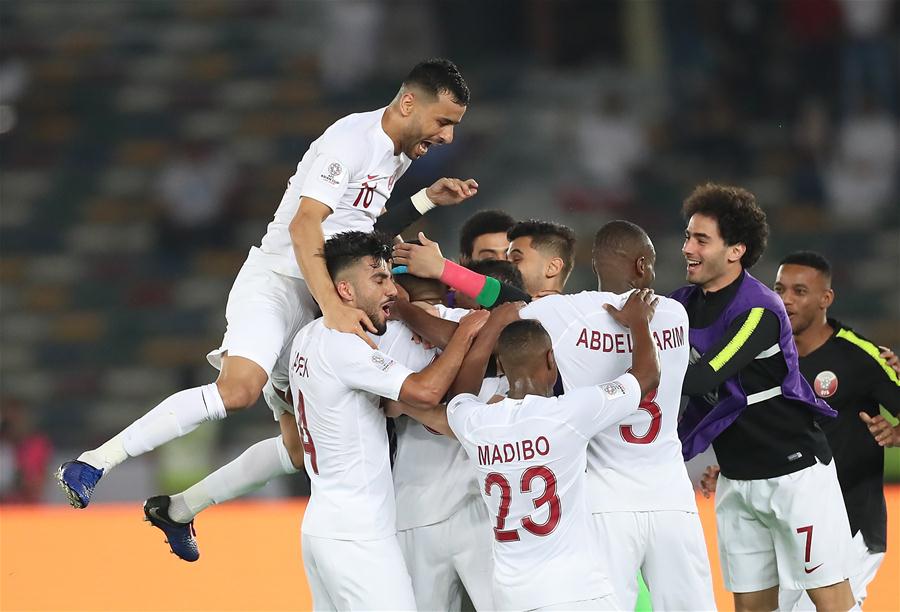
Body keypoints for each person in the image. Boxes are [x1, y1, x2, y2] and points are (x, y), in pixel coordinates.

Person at [56, 58, 479, 509]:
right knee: (238, 390)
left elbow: (359, 232)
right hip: (279, 283)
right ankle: (93, 462)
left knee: (298, 451)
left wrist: (426, 198)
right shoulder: (351, 141)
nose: (448, 136)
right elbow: (304, 226)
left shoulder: (395, 155)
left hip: (318, 297)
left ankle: (179, 510)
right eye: (443, 122)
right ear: (409, 103)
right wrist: (333, 307)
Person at [397, 289, 662, 611]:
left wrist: (394, 398)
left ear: (504, 368)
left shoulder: (477, 422)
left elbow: (451, 403)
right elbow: (647, 375)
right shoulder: (569, 413)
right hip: (576, 590)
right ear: (551, 359)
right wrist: (639, 322)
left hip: (513, 594)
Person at [671, 183, 856, 612]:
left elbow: (701, 380)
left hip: (795, 477)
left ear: (735, 250)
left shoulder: (759, 309)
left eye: (701, 239)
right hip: (737, 481)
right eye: (687, 236)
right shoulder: (683, 303)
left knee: (832, 604)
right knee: (751, 608)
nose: (687, 248)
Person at [516, 220, 716, 610]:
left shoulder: (562, 313)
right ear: (642, 266)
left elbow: (503, 301)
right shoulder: (675, 315)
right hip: (670, 497)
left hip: (604, 501)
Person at [288, 231, 488, 610]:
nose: (392, 290)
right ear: (345, 289)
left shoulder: (307, 337)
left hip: (322, 523)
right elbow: (425, 392)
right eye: (379, 279)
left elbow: (386, 404)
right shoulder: (347, 343)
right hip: (357, 530)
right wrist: (465, 335)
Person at [701, 250, 900, 610]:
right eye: (780, 289)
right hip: (786, 512)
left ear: (826, 299)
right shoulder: (765, 351)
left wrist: (899, 433)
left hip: (850, 521)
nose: (786, 300)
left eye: (800, 291)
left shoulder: (859, 355)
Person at [506, 219, 576, 298]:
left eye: (516, 259)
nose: (504, 264)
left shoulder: (585, 309)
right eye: (506, 259)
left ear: (552, 267)